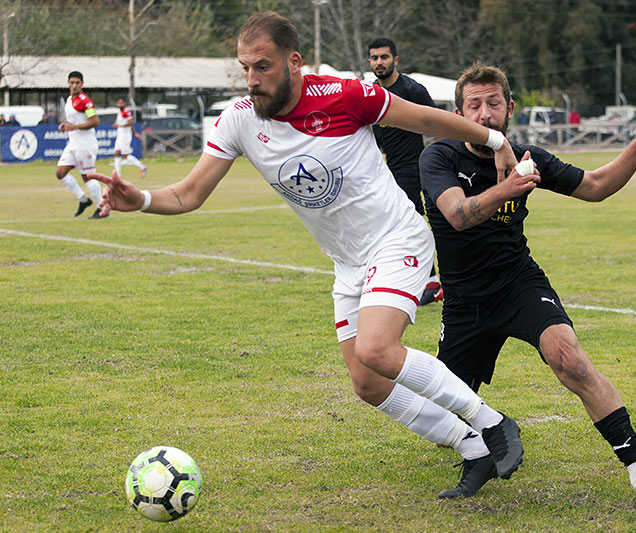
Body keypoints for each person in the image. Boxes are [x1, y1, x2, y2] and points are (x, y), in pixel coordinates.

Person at [91, 11, 525, 497]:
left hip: (397, 239)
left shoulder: (346, 95)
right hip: (348, 264)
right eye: (245, 68)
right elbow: (189, 193)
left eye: (263, 67)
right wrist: (142, 201)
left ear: (293, 62)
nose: (252, 80)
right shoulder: (238, 120)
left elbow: (423, 118)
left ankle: (492, 423)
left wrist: (494, 138)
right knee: (367, 383)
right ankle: (473, 449)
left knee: (377, 349)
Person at [419, 62, 636, 511]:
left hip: (518, 284)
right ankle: (487, 436)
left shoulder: (529, 157)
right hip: (463, 300)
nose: (484, 114)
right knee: (441, 416)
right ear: (458, 113)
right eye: (473, 105)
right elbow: (459, 215)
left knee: (572, 361)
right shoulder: (439, 157)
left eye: (493, 103)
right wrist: (511, 187)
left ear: (510, 109)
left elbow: (596, 187)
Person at [367, 37, 443, 306]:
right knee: (404, 226)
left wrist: (440, 162)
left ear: (395, 60)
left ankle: (434, 281)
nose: (379, 62)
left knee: (432, 223)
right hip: (392, 171)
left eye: (384, 57)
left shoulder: (412, 90)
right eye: (374, 58)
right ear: (369, 62)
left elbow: (437, 125)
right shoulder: (371, 93)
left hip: (420, 166)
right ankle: (428, 281)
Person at [56, 71, 107, 219]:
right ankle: (83, 199)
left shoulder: (85, 101)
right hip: (73, 144)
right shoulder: (69, 99)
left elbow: (95, 121)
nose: (74, 85)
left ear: (82, 84)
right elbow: (73, 121)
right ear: (68, 83)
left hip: (85, 144)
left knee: (87, 176)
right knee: (60, 173)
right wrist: (65, 126)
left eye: (77, 83)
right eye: (72, 83)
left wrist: (75, 127)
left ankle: (103, 208)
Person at [112, 97, 147, 178]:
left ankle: (142, 167)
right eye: (118, 103)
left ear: (124, 104)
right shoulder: (119, 113)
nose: (120, 104)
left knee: (125, 156)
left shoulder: (126, 112)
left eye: (121, 103)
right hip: (120, 135)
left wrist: (134, 133)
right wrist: (135, 133)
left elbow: (130, 123)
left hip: (125, 136)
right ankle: (117, 174)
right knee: (117, 153)